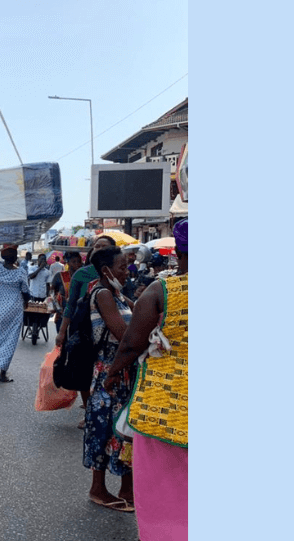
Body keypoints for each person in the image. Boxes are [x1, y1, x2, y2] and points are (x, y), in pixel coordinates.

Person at [104, 219, 188, 540]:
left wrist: (111, 376)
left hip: (163, 410)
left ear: (177, 252)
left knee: (162, 492)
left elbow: (131, 344)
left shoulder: (161, 291)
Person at [82, 245, 138, 513]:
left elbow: (141, 313)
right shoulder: (103, 294)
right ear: (106, 271)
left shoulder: (117, 294)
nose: (127, 272)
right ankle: (98, 489)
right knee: (104, 430)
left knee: (124, 429)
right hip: (109, 373)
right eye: (122, 267)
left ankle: (127, 489)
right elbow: (124, 334)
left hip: (123, 372)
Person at [55, 235, 118, 425]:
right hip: (83, 328)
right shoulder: (81, 275)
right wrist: (62, 331)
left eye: (103, 247)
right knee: (84, 372)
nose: (98, 249)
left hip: (110, 329)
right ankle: (89, 412)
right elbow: (71, 304)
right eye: (96, 246)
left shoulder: (117, 272)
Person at [0, 244, 30, 383]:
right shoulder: (21, 272)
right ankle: (2, 373)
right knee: (10, 340)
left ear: (2, 255)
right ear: (16, 257)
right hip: (14, 308)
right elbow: (26, 292)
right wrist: (26, 302)